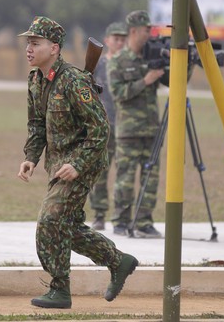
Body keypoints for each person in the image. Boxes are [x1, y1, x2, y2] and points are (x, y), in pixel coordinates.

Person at [16, 16, 139, 309]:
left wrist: (79, 164)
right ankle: (118, 261)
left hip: (84, 160)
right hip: (58, 163)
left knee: (50, 220)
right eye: (28, 43)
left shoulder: (73, 80)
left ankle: (60, 290)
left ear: (54, 48)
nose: (29, 49)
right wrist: (31, 158)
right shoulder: (35, 80)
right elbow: (36, 125)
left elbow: (100, 130)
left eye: (35, 43)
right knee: (66, 227)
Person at [107, 10, 165, 238]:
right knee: (125, 178)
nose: (149, 33)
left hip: (152, 130)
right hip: (128, 132)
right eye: (146, 30)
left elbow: (173, 79)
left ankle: (144, 222)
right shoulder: (119, 61)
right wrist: (145, 81)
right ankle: (120, 221)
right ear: (134, 31)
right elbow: (118, 93)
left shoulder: (152, 57)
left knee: (151, 179)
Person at [88, 21, 128, 231]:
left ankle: (122, 216)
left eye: (123, 39)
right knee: (101, 172)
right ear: (107, 41)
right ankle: (99, 214)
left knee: (125, 173)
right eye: (116, 39)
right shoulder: (98, 65)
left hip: (126, 126)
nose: (120, 42)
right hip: (104, 125)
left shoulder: (130, 64)